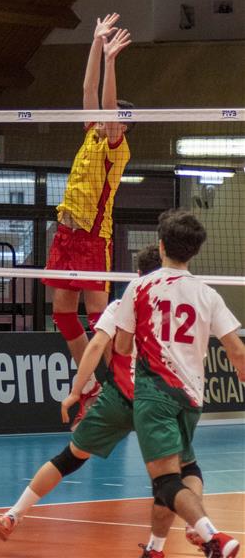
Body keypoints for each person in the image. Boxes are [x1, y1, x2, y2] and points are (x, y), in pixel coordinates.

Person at [0, 244, 202, 558]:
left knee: (69, 458)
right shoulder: (179, 309)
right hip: (160, 400)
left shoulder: (124, 303)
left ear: (137, 274)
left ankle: (13, 515)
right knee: (180, 469)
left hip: (121, 398)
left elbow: (94, 347)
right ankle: (186, 530)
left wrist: (77, 391)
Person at [115, 209, 245, 558]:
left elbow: (122, 347)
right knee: (186, 468)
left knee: (165, 480)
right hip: (191, 398)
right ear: (195, 251)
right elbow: (237, 351)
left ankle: (213, 537)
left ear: (160, 246)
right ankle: (155, 549)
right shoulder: (208, 294)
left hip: (154, 393)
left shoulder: (140, 287)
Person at [43, 12, 132, 422]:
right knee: (63, 314)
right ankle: (91, 386)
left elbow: (109, 104)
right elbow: (87, 89)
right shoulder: (91, 133)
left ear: (122, 128)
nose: (106, 119)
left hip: (94, 240)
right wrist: (96, 43)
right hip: (65, 236)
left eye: (115, 120)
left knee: (101, 319)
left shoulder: (116, 147)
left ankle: (123, 390)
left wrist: (112, 62)